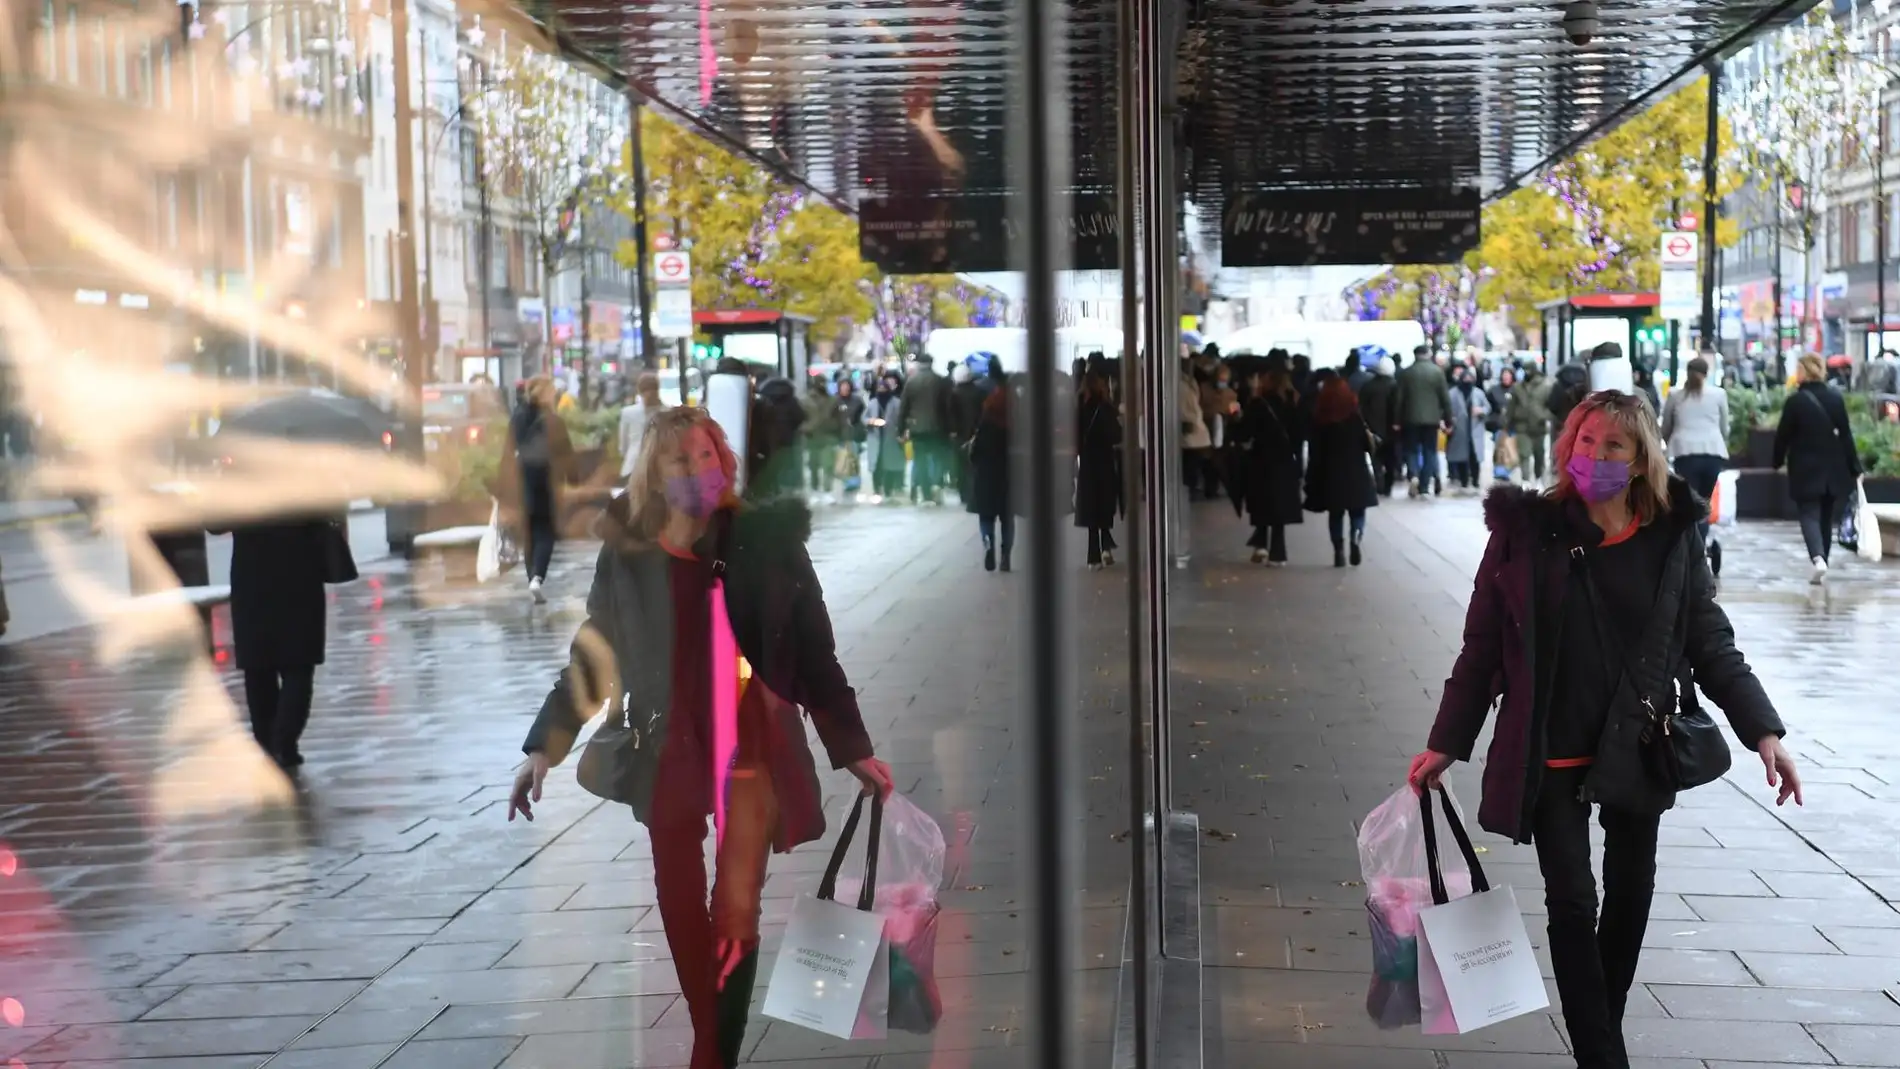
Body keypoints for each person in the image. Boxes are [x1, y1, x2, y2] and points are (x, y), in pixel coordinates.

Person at [1410, 390, 1801, 1069]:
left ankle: (1600, 1031)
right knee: (1571, 898)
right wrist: (1447, 740)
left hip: (1636, 743)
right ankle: (1603, 1056)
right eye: (1585, 441)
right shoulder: (1525, 531)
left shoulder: (1671, 535)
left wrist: (1763, 730)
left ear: (1642, 455)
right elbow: (1482, 647)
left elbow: (1709, 642)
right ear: (1567, 447)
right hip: (1551, 744)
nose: (1595, 456)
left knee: (1631, 891)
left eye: (1613, 445)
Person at [507, 406, 894, 1069]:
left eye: (706, 456)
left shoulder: (765, 542)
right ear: (655, 473)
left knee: (736, 906)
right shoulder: (630, 549)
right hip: (668, 744)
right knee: (680, 899)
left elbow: (814, 652)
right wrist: (545, 743)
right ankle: (714, 1045)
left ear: (727, 461)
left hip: (751, 744)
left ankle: (710, 1059)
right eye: (679, 461)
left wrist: (852, 748)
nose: (696, 471)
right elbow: (594, 652)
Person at [217, 512, 341, 772]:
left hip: (252, 580)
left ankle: (268, 743)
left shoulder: (237, 475)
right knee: (298, 665)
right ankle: (283, 743)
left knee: (258, 667)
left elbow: (214, 523)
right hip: (299, 577)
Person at [1773, 353, 1863, 584]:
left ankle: (1817, 558)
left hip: (1805, 467)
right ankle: (1824, 560)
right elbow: (1845, 435)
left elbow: (1783, 436)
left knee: (1809, 514)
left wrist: (1777, 460)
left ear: (1804, 372)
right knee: (1825, 516)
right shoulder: (1835, 398)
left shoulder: (1795, 402)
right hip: (1833, 467)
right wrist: (1855, 466)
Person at [502, 375, 574, 604]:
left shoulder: (518, 417)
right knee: (546, 531)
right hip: (547, 478)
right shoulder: (553, 419)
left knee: (530, 531)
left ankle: (531, 577)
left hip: (523, 477)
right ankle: (537, 577)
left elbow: (507, 450)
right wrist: (572, 478)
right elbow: (566, 452)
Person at [1659, 356, 1731, 577]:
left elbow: (1666, 427)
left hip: (1685, 454)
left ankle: (1691, 547)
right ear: (1707, 373)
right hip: (1712, 454)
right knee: (1704, 503)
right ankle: (1700, 546)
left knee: (1689, 503)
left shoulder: (1675, 395)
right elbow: (1724, 427)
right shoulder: (1719, 395)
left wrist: (1668, 444)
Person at [1233, 361, 1304, 565]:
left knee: (1262, 503)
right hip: (1285, 461)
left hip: (1261, 460)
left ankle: (1262, 546)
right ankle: (1278, 552)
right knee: (1279, 506)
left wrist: (1236, 419)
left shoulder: (1258, 404)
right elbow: (1299, 434)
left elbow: (1244, 433)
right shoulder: (1292, 404)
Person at [1303, 376, 1377, 567]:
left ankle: (1338, 551)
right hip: (1356, 473)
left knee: (1335, 515)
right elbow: (1367, 445)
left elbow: (1314, 452)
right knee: (1357, 512)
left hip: (1331, 476)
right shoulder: (1355, 418)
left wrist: (1311, 478)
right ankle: (1355, 539)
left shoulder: (1319, 420)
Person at [967, 364, 1016, 572]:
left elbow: (974, 454)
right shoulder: (1014, 425)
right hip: (1008, 477)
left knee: (986, 516)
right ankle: (1005, 555)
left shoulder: (984, 425)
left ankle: (988, 544)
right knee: (1007, 519)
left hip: (986, 476)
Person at [1074, 371, 1123, 569]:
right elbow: (1116, 436)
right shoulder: (1106, 407)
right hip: (1104, 462)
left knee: (1091, 507)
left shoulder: (1079, 407)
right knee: (1104, 504)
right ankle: (1106, 550)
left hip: (1086, 463)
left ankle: (1093, 555)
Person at [1395, 345, 1451, 498]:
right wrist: (1448, 420)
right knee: (1429, 452)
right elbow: (1445, 398)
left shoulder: (1407, 373)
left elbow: (1399, 399)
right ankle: (1424, 486)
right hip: (1431, 420)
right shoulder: (1437, 372)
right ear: (1428, 354)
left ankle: (1413, 474)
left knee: (1411, 450)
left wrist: (1396, 420)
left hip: (1410, 418)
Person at [897, 355, 951, 505]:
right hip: (938, 428)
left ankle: (926, 495)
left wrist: (900, 429)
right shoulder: (940, 381)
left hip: (917, 429)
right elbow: (948, 407)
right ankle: (936, 484)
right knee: (938, 458)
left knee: (920, 462)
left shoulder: (912, 382)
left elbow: (904, 407)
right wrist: (951, 428)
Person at [1358, 355, 1401, 496]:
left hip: (1373, 428)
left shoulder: (1368, 386)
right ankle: (1387, 487)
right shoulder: (1395, 386)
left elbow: (1361, 407)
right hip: (1391, 430)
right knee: (1390, 461)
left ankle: (1379, 484)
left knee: (1376, 459)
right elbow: (1398, 407)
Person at [1506, 366, 1555, 486]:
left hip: (1539, 426)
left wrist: (1545, 416)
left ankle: (1539, 479)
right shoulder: (1517, 387)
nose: (1526, 372)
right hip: (1521, 426)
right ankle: (1526, 481)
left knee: (1539, 455)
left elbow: (1552, 405)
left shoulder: (1545, 387)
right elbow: (1511, 407)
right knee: (1524, 454)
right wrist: (1506, 423)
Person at [1446, 368, 1490, 493]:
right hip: (1459, 429)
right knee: (1461, 456)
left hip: (1475, 430)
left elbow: (1487, 407)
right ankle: (1464, 481)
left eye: (1470, 379)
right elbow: (1447, 409)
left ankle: (1475, 480)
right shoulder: (1453, 393)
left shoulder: (1478, 393)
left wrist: (1481, 411)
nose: (1467, 381)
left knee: (1475, 456)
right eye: (1465, 379)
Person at [863, 374, 906, 504]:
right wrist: (872, 421)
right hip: (875, 439)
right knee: (876, 466)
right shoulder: (872, 403)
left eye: (884, 388)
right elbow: (864, 418)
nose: (881, 390)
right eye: (879, 388)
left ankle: (888, 490)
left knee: (890, 466)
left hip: (891, 439)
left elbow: (901, 419)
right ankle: (877, 490)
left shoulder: (896, 403)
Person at [799, 375, 841, 504]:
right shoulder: (805, 400)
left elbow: (839, 418)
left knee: (828, 466)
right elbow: (801, 418)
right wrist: (807, 428)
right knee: (814, 466)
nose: (822, 385)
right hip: (812, 437)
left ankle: (827, 491)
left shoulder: (833, 400)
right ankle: (815, 491)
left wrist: (836, 429)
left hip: (828, 437)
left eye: (824, 382)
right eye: (820, 382)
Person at [618, 372, 666, 480]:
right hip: (632, 468)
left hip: (659, 469)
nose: (648, 395)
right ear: (640, 392)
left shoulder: (667, 413)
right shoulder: (628, 413)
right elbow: (623, 446)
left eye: (652, 390)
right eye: (645, 391)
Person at [1180, 359, 1214, 498]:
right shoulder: (1182, 384)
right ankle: (1190, 487)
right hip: (1188, 426)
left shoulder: (1189, 382)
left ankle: (1192, 487)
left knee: (1193, 461)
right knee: (1191, 461)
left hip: (1193, 427)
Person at [834, 378, 867, 500]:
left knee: (853, 459)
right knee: (843, 460)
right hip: (841, 435)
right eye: (842, 386)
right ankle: (847, 481)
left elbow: (859, 414)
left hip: (854, 435)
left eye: (847, 386)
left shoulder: (856, 400)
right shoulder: (835, 401)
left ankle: (854, 482)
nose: (845, 388)